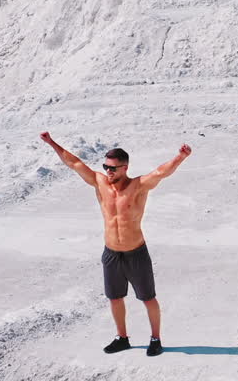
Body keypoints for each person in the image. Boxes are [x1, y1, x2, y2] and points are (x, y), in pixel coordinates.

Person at [39, 132, 192, 355]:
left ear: (125, 168)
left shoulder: (138, 186)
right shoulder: (99, 183)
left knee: (148, 299)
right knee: (115, 298)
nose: (108, 171)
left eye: (113, 168)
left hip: (136, 253)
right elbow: (74, 163)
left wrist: (180, 157)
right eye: (106, 166)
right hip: (111, 253)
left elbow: (160, 172)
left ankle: (155, 339)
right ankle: (122, 338)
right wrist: (52, 142)